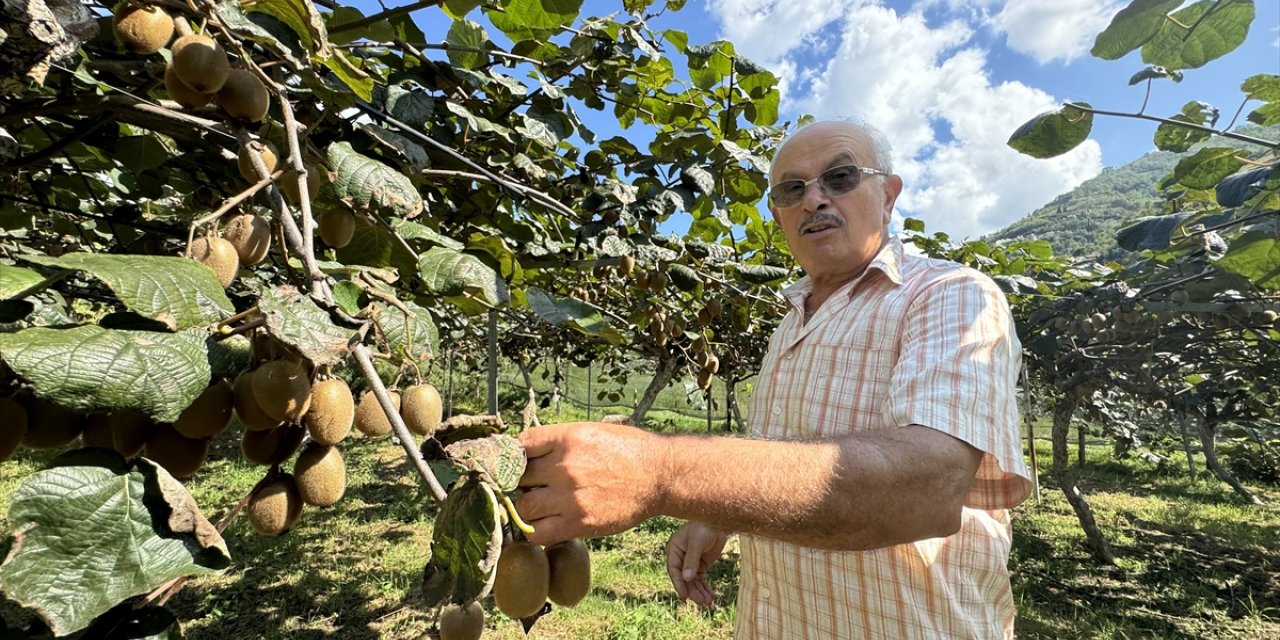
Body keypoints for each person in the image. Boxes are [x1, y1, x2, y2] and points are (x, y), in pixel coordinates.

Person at [516, 119, 1032, 639]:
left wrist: (660, 474)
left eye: (840, 178)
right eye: (792, 189)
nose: (814, 200)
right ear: (778, 214)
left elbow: (929, 487)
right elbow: (789, 455)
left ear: (889, 194)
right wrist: (724, 513)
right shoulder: (792, 319)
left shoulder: (951, 295)